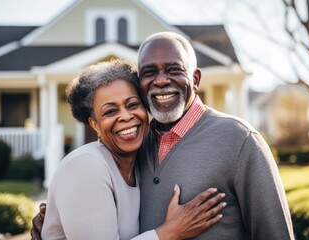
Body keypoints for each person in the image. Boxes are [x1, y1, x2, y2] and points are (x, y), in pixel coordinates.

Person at [32, 32, 295, 239]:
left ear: (195, 79)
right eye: (149, 72)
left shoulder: (240, 140)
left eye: (173, 69)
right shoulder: (135, 144)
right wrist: (61, 223)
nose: (160, 81)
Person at [38, 59, 226, 240]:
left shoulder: (139, 164)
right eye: (111, 111)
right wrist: (170, 232)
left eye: (133, 105)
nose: (126, 117)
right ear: (95, 124)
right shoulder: (86, 166)